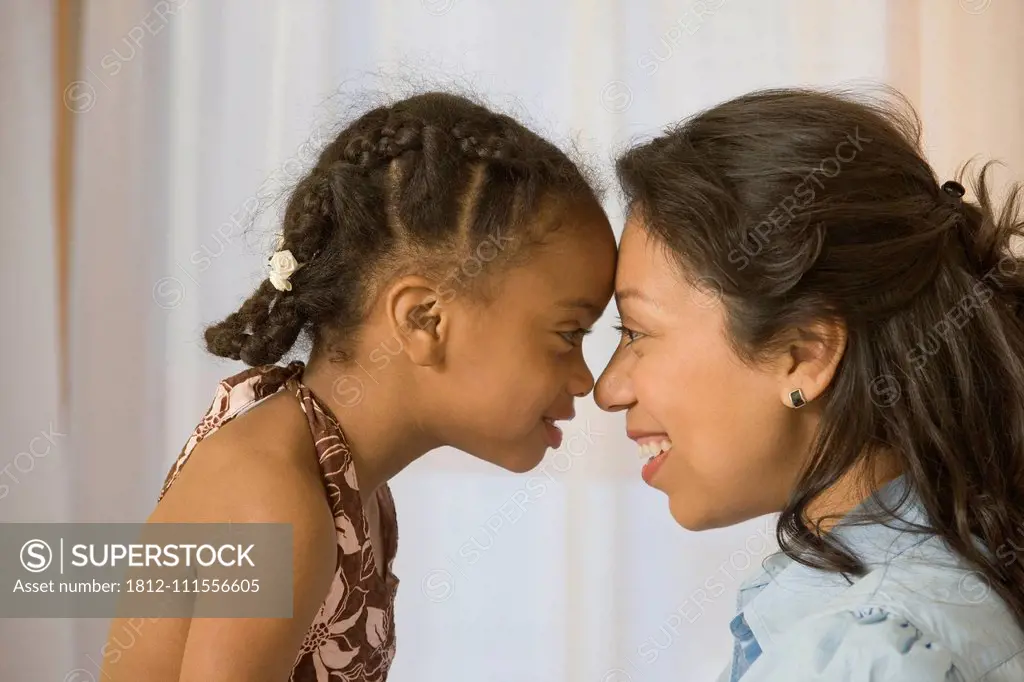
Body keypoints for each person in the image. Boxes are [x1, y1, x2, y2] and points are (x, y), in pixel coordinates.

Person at [101, 91, 615, 682]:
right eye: (568, 333)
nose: (587, 380)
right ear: (425, 320)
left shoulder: (345, 480)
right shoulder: (275, 498)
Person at [596, 87, 1024, 680]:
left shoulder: (860, 652)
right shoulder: (952, 588)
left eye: (636, 331)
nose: (608, 388)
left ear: (803, 356)